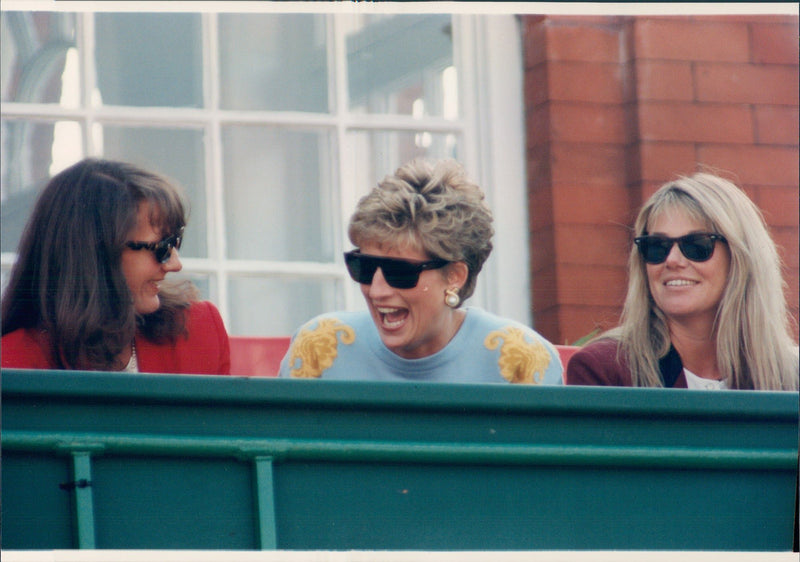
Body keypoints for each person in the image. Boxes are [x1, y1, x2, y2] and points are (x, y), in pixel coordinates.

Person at [279, 159, 563, 384]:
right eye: (364, 267)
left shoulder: (523, 361)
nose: (376, 290)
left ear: (454, 276)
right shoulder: (318, 346)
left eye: (399, 272)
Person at [566, 172, 798, 391]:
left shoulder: (790, 377)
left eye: (697, 245)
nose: (673, 260)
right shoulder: (605, 370)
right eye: (657, 247)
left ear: (740, 258)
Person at [1, 158, 231, 375]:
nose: (175, 264)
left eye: (176, 241)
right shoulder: (11, 363)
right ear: (97, 254)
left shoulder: (200, 332)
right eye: (162, 247)